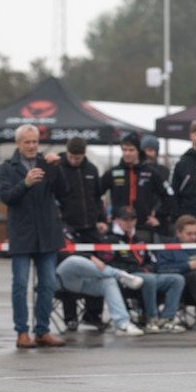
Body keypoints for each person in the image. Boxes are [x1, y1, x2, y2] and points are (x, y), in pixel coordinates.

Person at [0, 124, 68, 349]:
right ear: (18, 143)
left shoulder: (46, 163)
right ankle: (22, 332)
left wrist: (57, 168)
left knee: (48, 284)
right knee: (20, 285)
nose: (31, 146)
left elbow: (64, 191)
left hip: (47, 233)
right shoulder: (7, 168)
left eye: (35, 141)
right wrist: (25, 183)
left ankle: (42, 331)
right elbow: (7, 197)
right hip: (22, 233)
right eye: (27, 142)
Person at [97, 205, 185, 333]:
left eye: (132, 219)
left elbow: (152, 260)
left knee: (177, 279)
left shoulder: (139, 238)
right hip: (126, 279)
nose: (129, 223)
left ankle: (167, 319)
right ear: (117, 220)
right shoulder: (110, 239)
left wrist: (147, 269)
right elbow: (109, 264)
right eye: (125, 220)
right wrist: (135, 270)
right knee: (149, 279)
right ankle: (151, 319)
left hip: (145, 274)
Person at [58, 136, 107, 331]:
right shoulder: (59, 169)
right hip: (68, 227)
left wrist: (101, 219)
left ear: (84, 155)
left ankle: (93, 314)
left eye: (78, 158)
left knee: (98, 268)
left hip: (90, 228)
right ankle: (70, 316)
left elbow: (98, 197)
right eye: (71, 157)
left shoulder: (92, 170)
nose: (74, 161)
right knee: (71, 271)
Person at [101, 132, 172, 243]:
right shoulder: (113, 172)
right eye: (124, 150)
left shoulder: (151, 172)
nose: (127, 153)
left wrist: (158, 216)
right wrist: (103, 216)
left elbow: (169, 196)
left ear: (138, 151)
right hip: (118, 228)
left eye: (131, 150)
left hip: (143, 227)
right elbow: (95, 194)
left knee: (144, 254)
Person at [55, 255, 145, 336]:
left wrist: (92, 258)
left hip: (81, 280)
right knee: (72, 261)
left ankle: (122, 324)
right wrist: (89, 257)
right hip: (58, 278)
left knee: (109, 282)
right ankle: (119, 274)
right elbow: (62, 255)